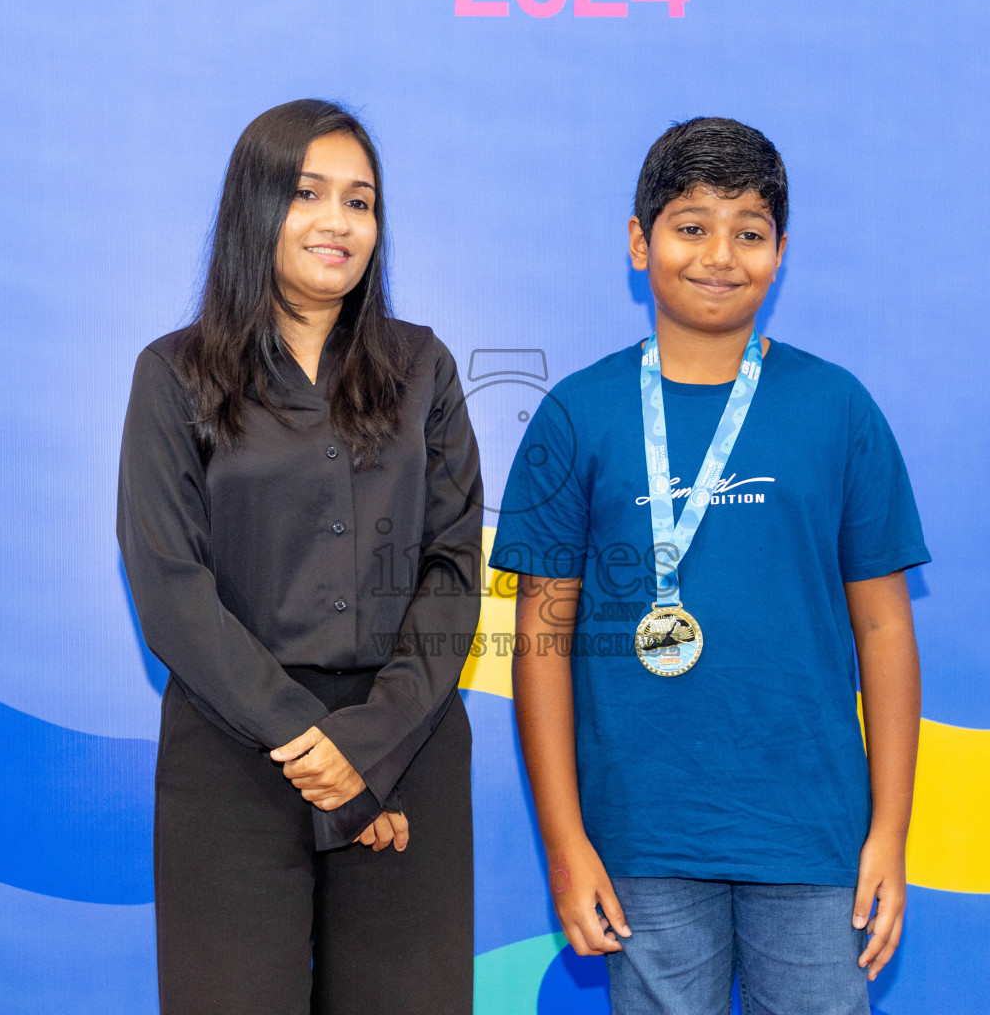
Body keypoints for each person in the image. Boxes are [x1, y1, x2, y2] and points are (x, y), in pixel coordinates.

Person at [490, 117, 929, 1015]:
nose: (720, 254)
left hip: (814, 840)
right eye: (691, 225)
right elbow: (540, 637)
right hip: (641, 841)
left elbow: (885, 626)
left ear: (780, 252)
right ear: (638, 241)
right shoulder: (575, 416)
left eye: (750, 232)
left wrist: (889, 831)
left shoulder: (838, 409)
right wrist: (566, 844)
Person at [117, 99, 481, 1015]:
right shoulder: (174, 373)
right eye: (309, 193)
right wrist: (301, 735)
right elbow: (170, 585)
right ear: (255, 209)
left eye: (360, 202)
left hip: (405, 744)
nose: (339, 222)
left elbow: (452, 568)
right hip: (235, 749)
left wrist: (365, 743)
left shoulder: (422, 366)